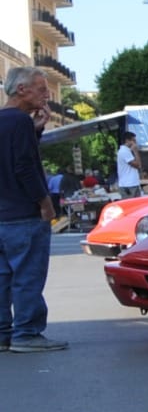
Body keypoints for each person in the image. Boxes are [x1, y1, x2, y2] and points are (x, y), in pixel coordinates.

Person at [0, 66, 67, 352]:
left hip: (2, 214)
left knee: (3, 277)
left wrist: (36, 131)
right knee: (28, 275)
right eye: (41, 88)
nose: (46, 95)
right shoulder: (20, 123)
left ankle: (3, 333)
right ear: (21, 89)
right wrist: (45, 202)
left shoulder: (8, 121)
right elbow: (24, 166)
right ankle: (27, 333)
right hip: (23, 214)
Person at [115, 132, 143, 198]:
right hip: (129, 185)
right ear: (127, 140)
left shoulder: (127, 151)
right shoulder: (124, 151)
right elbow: (138, 165)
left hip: (131, 184)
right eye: (133, 140)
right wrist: (135, 151)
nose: (135, 143)